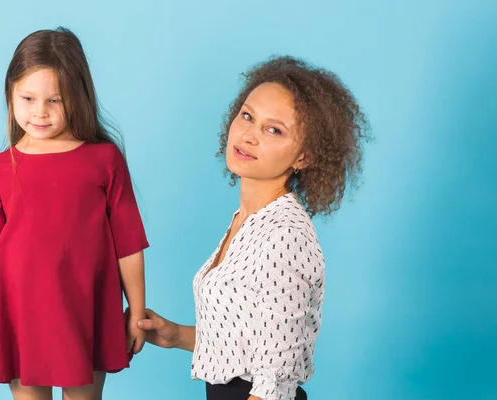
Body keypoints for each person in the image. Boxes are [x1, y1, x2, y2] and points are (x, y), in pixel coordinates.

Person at [137, 56, 371, 400]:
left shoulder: (286, 235)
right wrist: (175, 336)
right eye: (247, 116)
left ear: (303, 157)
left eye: (274, 129)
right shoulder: (248, 221)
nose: (249, 135)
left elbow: (276, 374)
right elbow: (248, 342)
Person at [0, 27, 149, 400]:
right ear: (10, 94)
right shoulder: (0, 167)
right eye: (28, 98)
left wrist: (137, 310)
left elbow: (129, 244)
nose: (40, 112)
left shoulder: (103, 160)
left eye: (55, 100)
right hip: (20, 313)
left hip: (87, 310)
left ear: (78, 97)